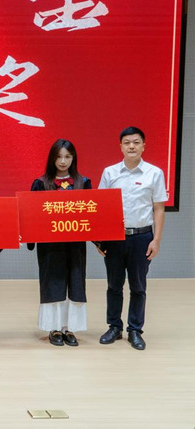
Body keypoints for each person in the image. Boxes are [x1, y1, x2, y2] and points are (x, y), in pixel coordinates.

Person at [97, 126, 166, 350]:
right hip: (115, 237)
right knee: (113, 285)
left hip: (142, 237)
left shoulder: (154, 173)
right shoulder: (110, 173)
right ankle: (114, 327)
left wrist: (156, 239)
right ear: (120, 146)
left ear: (144, 146)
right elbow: (101, 207)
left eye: (136, 142)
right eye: (127, 143)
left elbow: (159, 209)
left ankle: (135, 330)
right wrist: (100, 239)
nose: (132, 146)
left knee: (138, 286)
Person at [28, 139, 91, 347]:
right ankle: (54, 328)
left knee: (75, 282)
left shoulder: (83, 183)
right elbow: (31, 215)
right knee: (52, 283)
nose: (63, 161)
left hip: (75, 244)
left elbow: (93, 215)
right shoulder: (40, 183)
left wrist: (101, 242)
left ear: (74, 158)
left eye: (67, 157)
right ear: (52, 159)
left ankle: (69, 328)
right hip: (50, 246)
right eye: (59, 157)